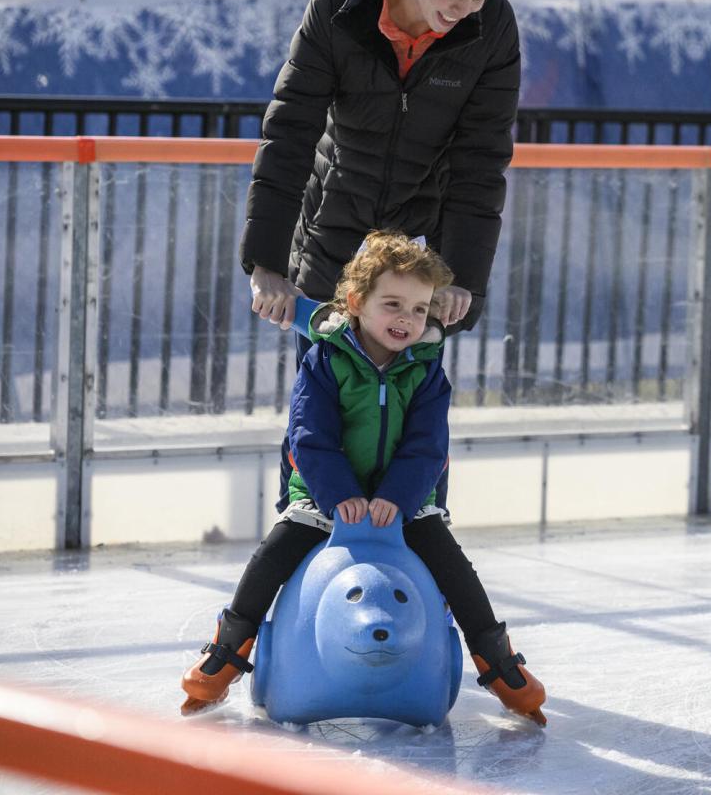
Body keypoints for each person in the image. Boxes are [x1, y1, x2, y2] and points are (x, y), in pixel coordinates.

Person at [181, 232, 546, 726]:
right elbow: (309, 437)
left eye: (418, 310)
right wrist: (339, 496)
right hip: (323, 493)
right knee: (273, 558)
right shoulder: (325, 359)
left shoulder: (426, 368)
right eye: (392, 304)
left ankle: (496, 659)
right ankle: (228, 648)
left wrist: (397, 497)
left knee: (453, 569)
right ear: (356, 303)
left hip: (406, 499)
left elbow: (427, 446)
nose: (407, 319)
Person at [243, 0, 519, 336]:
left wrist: (463, 280)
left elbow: (480, 159)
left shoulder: (491, 28)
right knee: (327, 395)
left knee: (406, 402)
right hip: (332, 225)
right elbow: (290, 131)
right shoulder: (339, 5)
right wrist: (266, 262)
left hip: (417, 251)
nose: (462, 12)